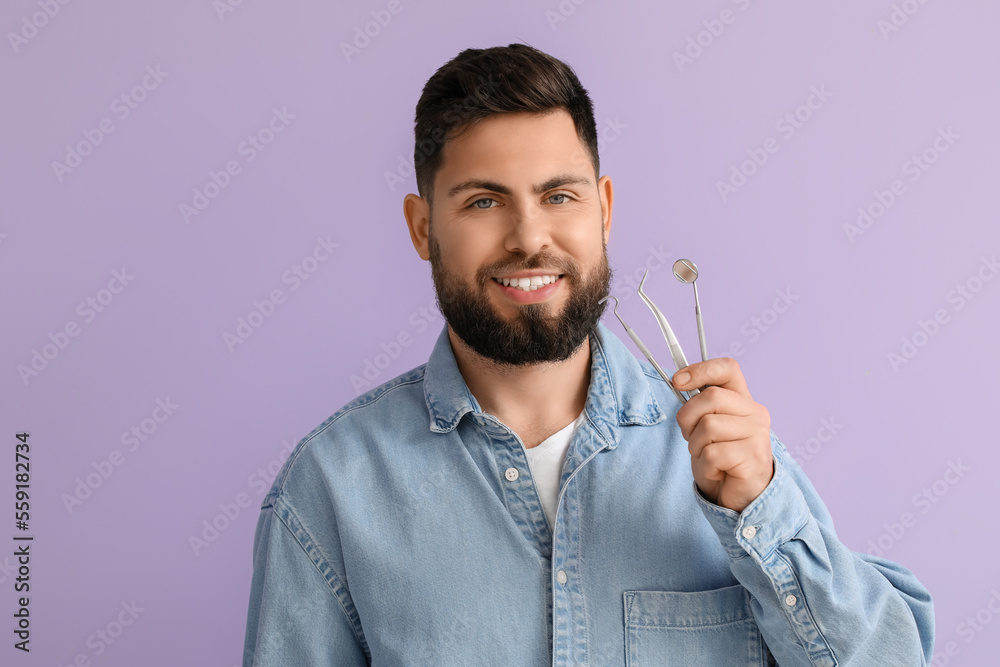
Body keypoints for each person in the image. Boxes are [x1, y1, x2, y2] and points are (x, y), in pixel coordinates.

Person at [242, 43, 934, 666]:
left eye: (559, 195)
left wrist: (762, 509)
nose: (528, 237)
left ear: (602, 209)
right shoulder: (332, 486)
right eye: (484, 202)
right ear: (424, 228)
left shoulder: (726, 458)